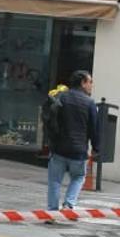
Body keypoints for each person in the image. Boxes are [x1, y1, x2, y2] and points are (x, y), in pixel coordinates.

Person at [44, 71, 99, 211]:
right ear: (83, 82)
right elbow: (94, 128)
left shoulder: (61, 97)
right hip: (78, 151)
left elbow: (50, 118)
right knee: (79, 176)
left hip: (58, 148)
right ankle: (69, 204)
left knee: (54, 181)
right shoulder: (90, 103)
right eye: (90, 82)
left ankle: (52, 211)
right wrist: (96, 148)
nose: (91, 85)